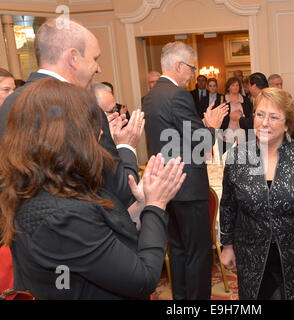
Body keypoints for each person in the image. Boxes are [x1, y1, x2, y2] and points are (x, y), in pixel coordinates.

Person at [0, 79, 186, 299]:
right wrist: (157, 205)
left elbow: (98, 231)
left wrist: (143, 204)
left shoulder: (53, 182)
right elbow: (144, 278)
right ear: (64, 136)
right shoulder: (60, 214)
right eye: (91, 128)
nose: (99, 135)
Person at [0, 18, 141, 207]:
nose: (99, 68)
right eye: (95, 58)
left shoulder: (11, 102)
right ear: (73, 58)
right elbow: (121, 191)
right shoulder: (82, 107)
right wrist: (125, 146)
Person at [220, 87, 294, 300]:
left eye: (273, 117)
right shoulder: (237, 157)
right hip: (252, 256)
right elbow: (228, 205)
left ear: (287, 124)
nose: (264, 122)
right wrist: (227, 246)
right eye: (260, 115)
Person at [142, 41, 228, 300]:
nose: (193, 73)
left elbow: (177, 136)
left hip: (167, 185)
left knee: (178, 250)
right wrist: (211, 126)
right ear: (179, 65)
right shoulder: (177, 95)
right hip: (188, 186)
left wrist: (200, 125)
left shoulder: (152, 95)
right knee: (199, 253)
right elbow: (199, 141)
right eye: (191, 68)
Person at [218, 77, 253, 154]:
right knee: (227, 157)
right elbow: (219, 118)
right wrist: (220, 133)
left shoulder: (245, 100)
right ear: (228, 87)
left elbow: (249, 116)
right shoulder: (222, 100)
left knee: (242, 157)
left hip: (242, 132)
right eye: (233, 85)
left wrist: (241, 115)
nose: (235, 87)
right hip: (227, 132)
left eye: (237, 85)